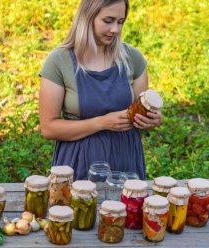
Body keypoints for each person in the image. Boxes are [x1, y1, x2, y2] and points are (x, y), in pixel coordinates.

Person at [39, 0, 162, 180]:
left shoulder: (132, 58)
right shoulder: (59, 61)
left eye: (120, 21)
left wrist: (153, 120)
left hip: (126, 163)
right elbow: (48, 128)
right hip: (78, 164)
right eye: (108, 20)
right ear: (88, 17)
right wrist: (101, 123)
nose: (116, 29)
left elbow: (141, 111)